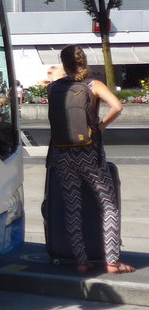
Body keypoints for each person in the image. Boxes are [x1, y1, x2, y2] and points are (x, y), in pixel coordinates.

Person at [46, 44, 132, 274]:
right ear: (83, 61)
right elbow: (117, 106)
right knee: (108, 204)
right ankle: (112, 262)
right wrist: (100, 126)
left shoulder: (54, 88)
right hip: (89, 154)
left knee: (72, 208)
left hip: (61, 153)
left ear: (64, 64)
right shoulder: (93, 85)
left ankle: (81, 261)